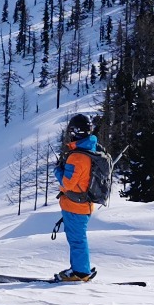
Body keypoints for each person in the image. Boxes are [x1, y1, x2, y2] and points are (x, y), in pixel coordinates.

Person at [53, 114, 101, 281]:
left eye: (72, 130)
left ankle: (81, 273)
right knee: (78, 239)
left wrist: (58, 171)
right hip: (82, 204)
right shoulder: (90, 150)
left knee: (77, 240)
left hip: (76, 206)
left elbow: (68, 184)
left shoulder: (77, 156)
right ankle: (80, 269)